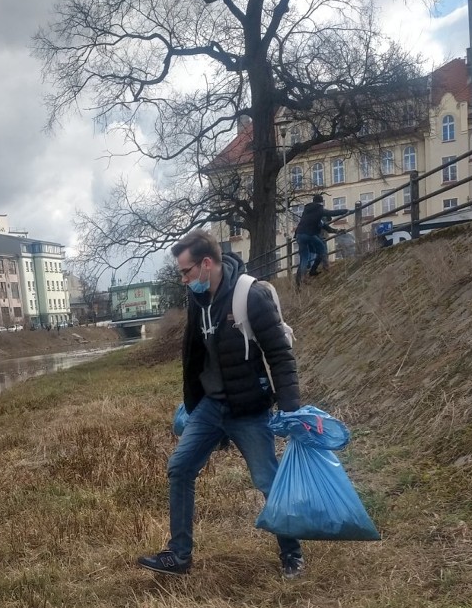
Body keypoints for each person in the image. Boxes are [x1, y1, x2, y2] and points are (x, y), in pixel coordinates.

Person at [137, 229, 305, 579]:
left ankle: (292, 554)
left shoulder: (251, 296)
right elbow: (195, 355)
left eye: (186, 272)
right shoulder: (197, 301)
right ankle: (179, 556)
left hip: (248, 409)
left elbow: (280, 355)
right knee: (180, 468)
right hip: (211, 408)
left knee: (267, 481)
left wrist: (291, 409)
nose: (183, 279)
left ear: (207, 263)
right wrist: (193, 401)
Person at [294, 194, 347, 285]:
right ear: (321, 202)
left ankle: (302, 278)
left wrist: (336, 231)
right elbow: (332, 213)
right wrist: (345, 211)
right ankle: (326, 267)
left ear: (313, 201)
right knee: (322, 248)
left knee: (304, 258)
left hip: (299, 234)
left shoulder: (306, 210)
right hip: (309, 234)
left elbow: (323, 225)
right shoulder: (320, 210)